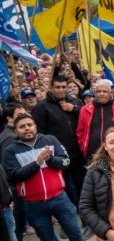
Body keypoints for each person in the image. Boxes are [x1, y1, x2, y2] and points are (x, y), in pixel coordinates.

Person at [2, 114, 101, 241]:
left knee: (74, 232)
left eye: (29, 125)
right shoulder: (11, 150)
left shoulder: (50, 140)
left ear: (35, 126)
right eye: (22, 126)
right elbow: (14, 175)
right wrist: (37, 162)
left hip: (59, 197)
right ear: (16, 130)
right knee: (46, 238)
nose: (27, 129)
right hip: (33, 203)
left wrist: (51, 160)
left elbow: (66, 161)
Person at [31, 76, 85, 204]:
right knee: (63, 187)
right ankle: (73, 212)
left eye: (64, 87)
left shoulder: (75, 102)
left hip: (78, 153)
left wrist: (74, 109)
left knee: (83, 184)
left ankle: (85, 213)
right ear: (51, 88)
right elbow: (39, 134)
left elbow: (86, 118)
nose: (61, 90)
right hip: (58, 156)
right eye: (57, 87)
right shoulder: (41, 107)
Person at [76, 79, 114, 160]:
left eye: (105, 91)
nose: (101, 94)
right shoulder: (85, 109)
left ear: (111, 93)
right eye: (98, 91)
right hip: (93, 155)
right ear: (95, 93)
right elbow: (80, 131)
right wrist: (84, 146)